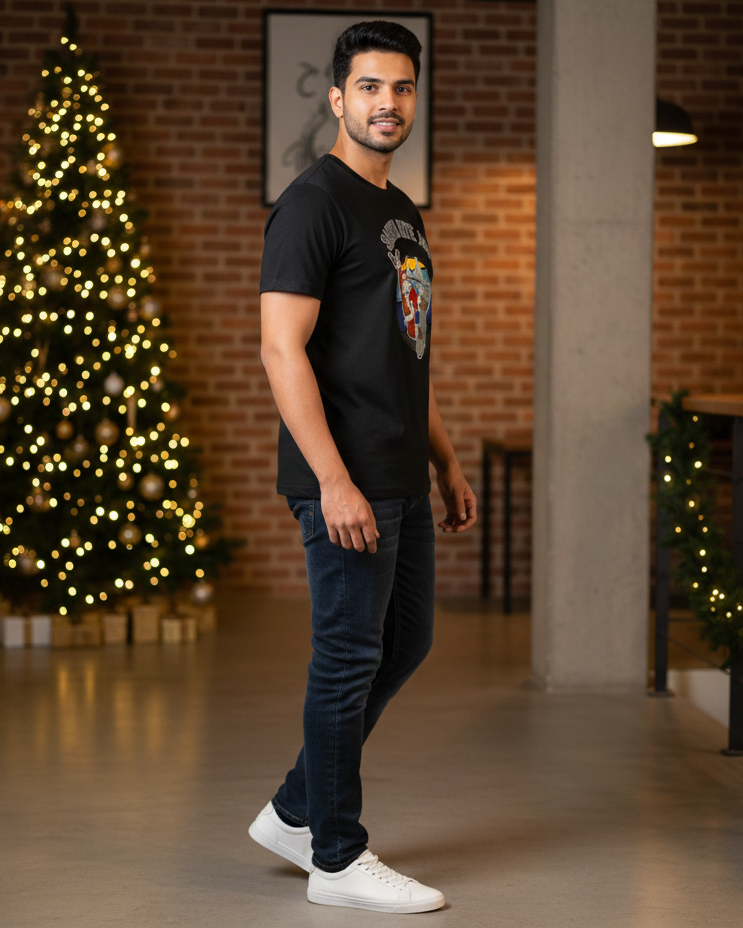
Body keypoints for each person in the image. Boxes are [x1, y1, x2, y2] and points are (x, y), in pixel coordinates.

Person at [250, 20, 476, 914]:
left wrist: (444, 460)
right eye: (371, 87)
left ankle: (294, 811)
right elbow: (280, 350)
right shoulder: (312, 205)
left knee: (405, 640)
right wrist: (333, 480)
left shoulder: (399, 210)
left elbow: (403, 354)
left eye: (402, 87)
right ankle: (336, 858)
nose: (388, 103)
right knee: (346, 660)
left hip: (400, 471)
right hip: (346, 479)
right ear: (337, 97)